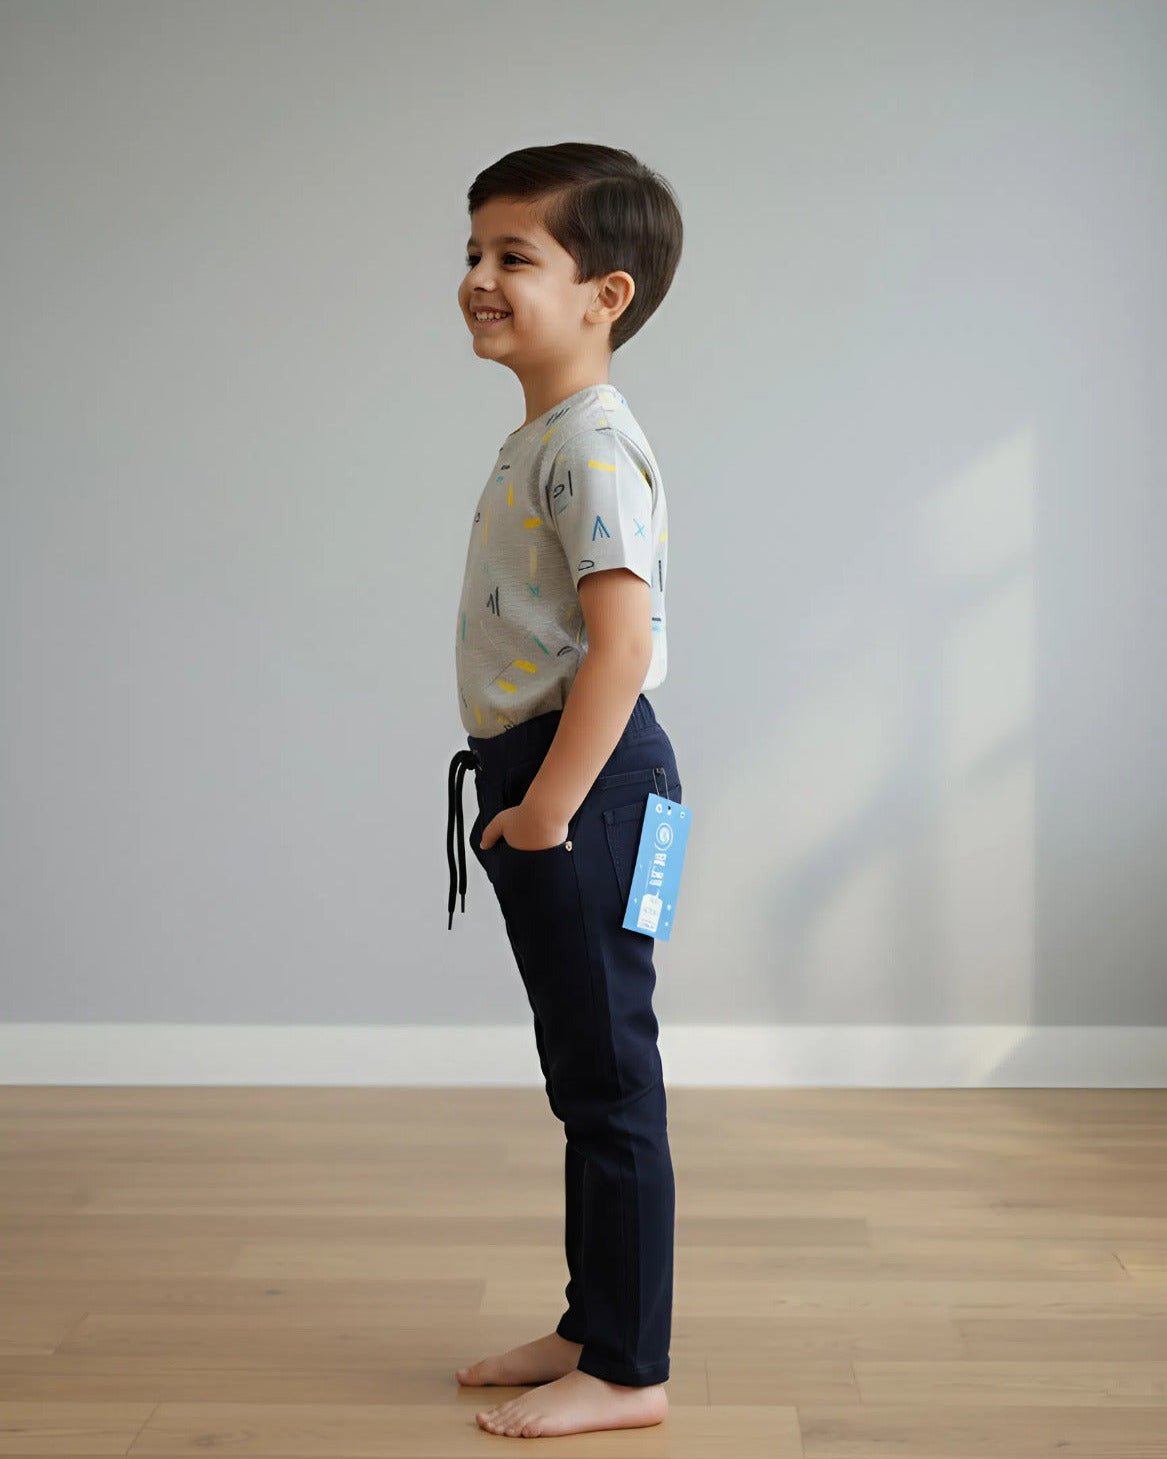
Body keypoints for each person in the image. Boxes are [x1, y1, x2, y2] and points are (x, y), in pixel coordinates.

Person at [444, 141, 685, 1440]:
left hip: (585, 785)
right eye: (472, 253)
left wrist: (545, 814)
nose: (479, 278)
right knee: (583, 1073)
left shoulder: (590, 446)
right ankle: (595, 1324)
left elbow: (624, 644)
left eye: (514, 257)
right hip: (559, 783)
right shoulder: (548, 432)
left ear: (607, 294)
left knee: (609, 1081)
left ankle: (632, 1368)